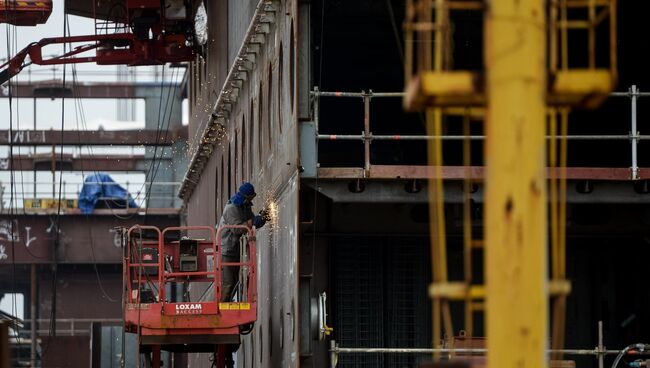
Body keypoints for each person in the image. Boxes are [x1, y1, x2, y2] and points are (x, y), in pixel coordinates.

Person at [218, 182, 270, 302]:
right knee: (228, 281)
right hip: (226, 249)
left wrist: (262, 218)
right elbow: (238, 229)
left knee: (235, 280)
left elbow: (252, 223)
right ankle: (221, 307)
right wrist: (252, 221)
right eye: (250, 198)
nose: (251, 200)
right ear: (245, 197)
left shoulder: (244, 206)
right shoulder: (231, 208)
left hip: (235, 248)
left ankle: (227, 304)